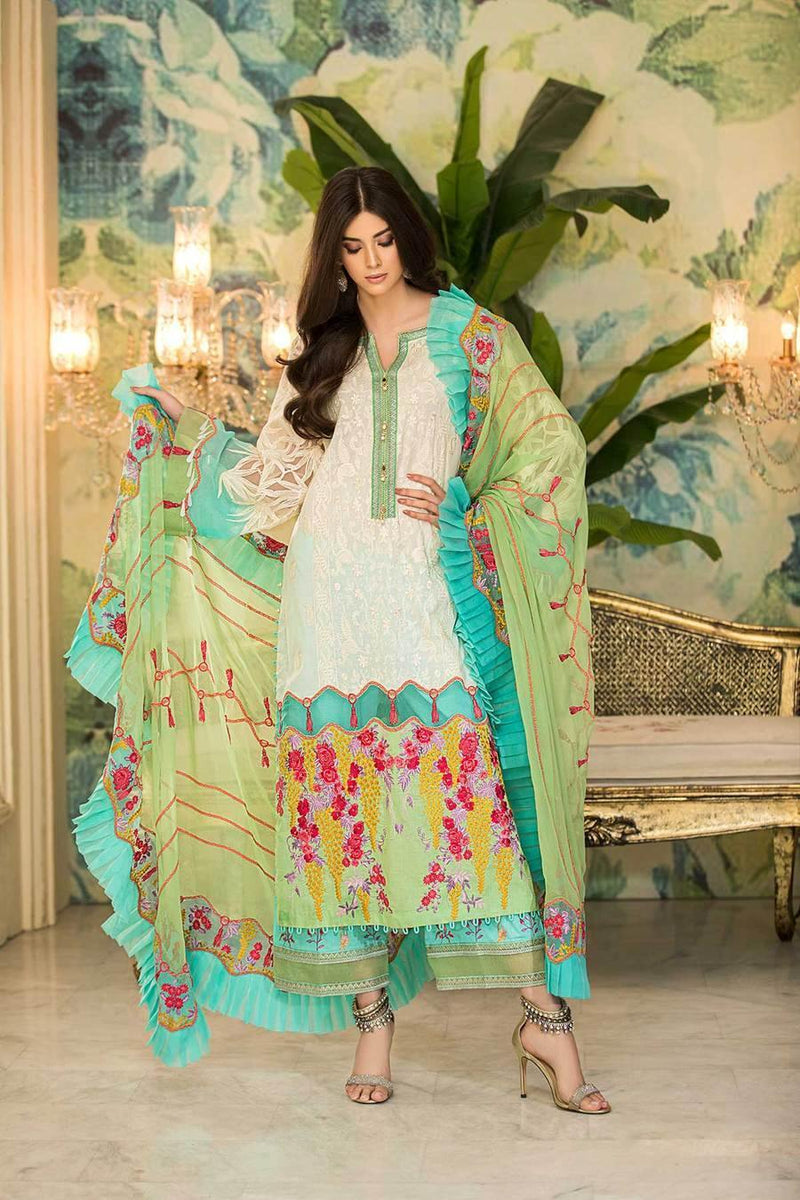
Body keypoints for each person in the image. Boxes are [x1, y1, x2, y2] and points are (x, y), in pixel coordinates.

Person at [68, 165, 610, 1113]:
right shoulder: (323, 356)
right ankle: (372, 1028)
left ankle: (545, 1020)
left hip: (423, 595)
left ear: (409, 238)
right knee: (339, 820)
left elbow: (551, 451)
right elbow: (264, 482)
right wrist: (186, 435)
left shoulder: (474, 338)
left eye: (384, 241)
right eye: (352, 248)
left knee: (468, 812)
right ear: (335, 256)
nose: (371, 262)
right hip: (327, 607)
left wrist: (467, 506)